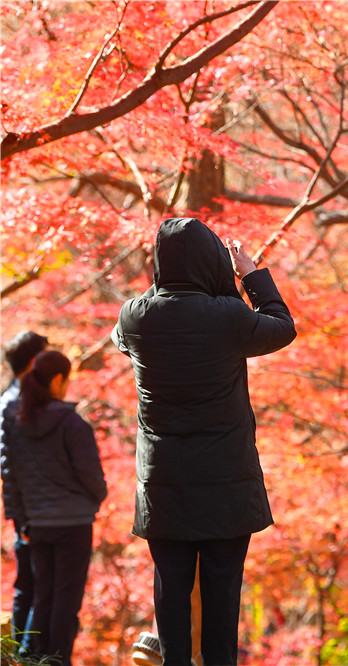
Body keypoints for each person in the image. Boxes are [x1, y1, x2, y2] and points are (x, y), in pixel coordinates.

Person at [111, 217, 296, 666]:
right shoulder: (228, 317)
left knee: (170, 592)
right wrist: (250, 274)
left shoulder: (135, 316)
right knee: (222, 593)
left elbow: (122, 342)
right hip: (225, 482)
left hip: (162, 483)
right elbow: (282, 325)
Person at [0, 350, 107, 665]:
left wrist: (21, 519)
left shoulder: (17, 423)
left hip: (38, 524)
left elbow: (11, 477)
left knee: (43, 595)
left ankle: (35, 658)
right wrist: (95, 499)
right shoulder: (72, 424)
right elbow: (92, 477)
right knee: (66, 601)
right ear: (58, 379)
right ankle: (58, 659)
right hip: (73, 525)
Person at [0, 330, 49, 649]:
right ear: (33, 362)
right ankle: (27, 654)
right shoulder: (18, 403)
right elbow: (13, 465)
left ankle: (23, 653)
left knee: (29, 585)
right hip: (34, 509)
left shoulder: (11, 397)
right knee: (38, 587)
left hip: (27, 507)